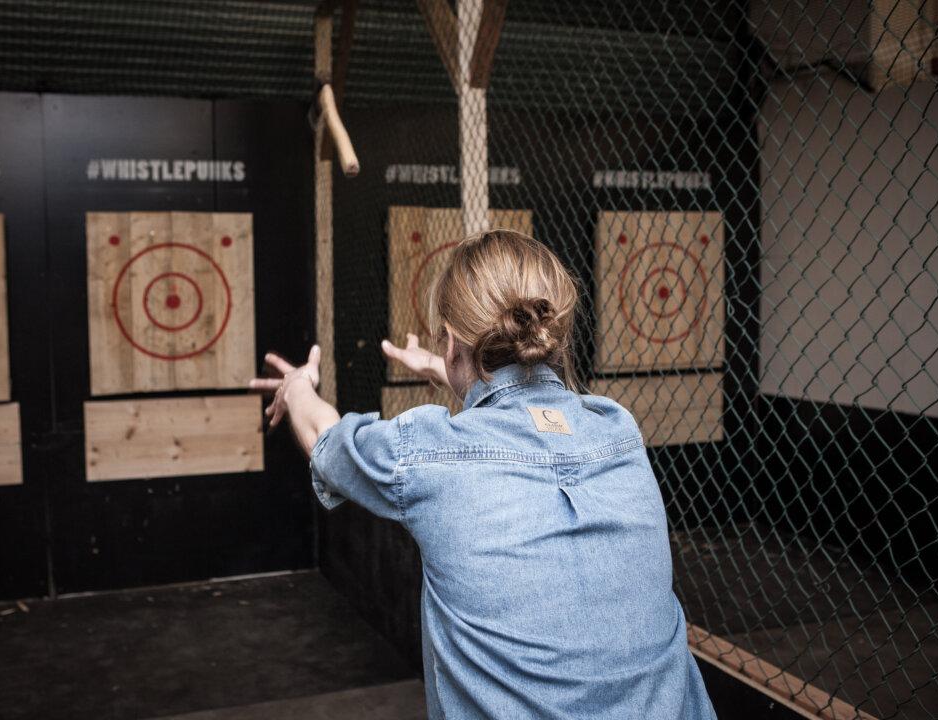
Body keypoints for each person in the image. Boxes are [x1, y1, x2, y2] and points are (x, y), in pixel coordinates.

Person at [250, 230, 716, 719]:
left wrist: (299, 384)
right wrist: (442, 366)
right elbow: (521, 410)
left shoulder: (427, 453)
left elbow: (325, 440)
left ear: (452, 344)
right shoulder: (616, 427)